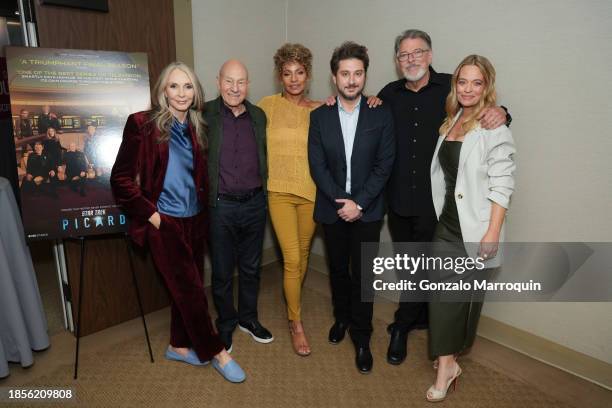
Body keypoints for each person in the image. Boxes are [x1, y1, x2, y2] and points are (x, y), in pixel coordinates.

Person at [377, 29, 510, 365]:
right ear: (397, 61)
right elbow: (363, 118)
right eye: (404, 55)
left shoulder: (453, 88)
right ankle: (418, 318)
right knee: (410, 267)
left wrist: (503, 111)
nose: (411, 60)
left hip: (438, 204)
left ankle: (401, 328)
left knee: (434, 271)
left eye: (418, 52)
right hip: (399, 200)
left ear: (430, 54)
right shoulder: (387, 94)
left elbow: (483, 108)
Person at [110, 61, 245, 383]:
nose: (181, 93)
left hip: (195, 220)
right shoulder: (142, 124)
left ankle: (178, 344)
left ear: (196, 91)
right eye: (174, 86)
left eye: (187, 86)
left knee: (188, 287)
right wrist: (153, 216)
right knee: (192, 293)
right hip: (164, 222)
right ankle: (216, 351)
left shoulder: (198, 126)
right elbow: (120, 179)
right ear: (163, 91)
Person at [426, 54, 516, 402]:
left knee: (464, 298)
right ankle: (447, 364)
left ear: (486, 86)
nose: (468, 88)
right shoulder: (452, 119)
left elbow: (502, 184)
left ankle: (448, 364)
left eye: (476, 83)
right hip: (446, 223)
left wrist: (492, 232)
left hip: (476, 228)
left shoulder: (495, 127)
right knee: (442, 296)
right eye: (462, 81)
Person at [308, 42, 395, 374]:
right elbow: (318, 166)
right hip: (332, 210)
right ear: (334, 78)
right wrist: (340, 202)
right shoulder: (320, 116)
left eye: (358, 73)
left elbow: (385, 164)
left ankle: (362, 336)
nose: (352, 80)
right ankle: (341, 318)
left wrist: (358, 203)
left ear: (365, 76)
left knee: (363, 276)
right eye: (345, 73)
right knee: (338, 270)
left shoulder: (380, 112)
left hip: (367, 211)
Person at [205, 60, 273, 353]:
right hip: (221, 207)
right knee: (221, 271)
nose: (235, 88)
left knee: (251, 268)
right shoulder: (204, 113)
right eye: (229, 81)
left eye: (241, 82)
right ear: (218, 81)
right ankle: (226, 324)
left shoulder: (259, 116)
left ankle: (248, 318)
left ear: (248, 83)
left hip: (255, 204)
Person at [257, 44, 321, 356]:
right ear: (279, 76)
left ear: (308, 76)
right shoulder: (266, 106)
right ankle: (295, 321)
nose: (293, 79)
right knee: (293, 259)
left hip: (311, 193)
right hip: (278, 191)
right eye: (287, 73)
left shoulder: (321, 109)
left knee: (304, 254)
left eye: (299, 73)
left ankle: (293, 302)